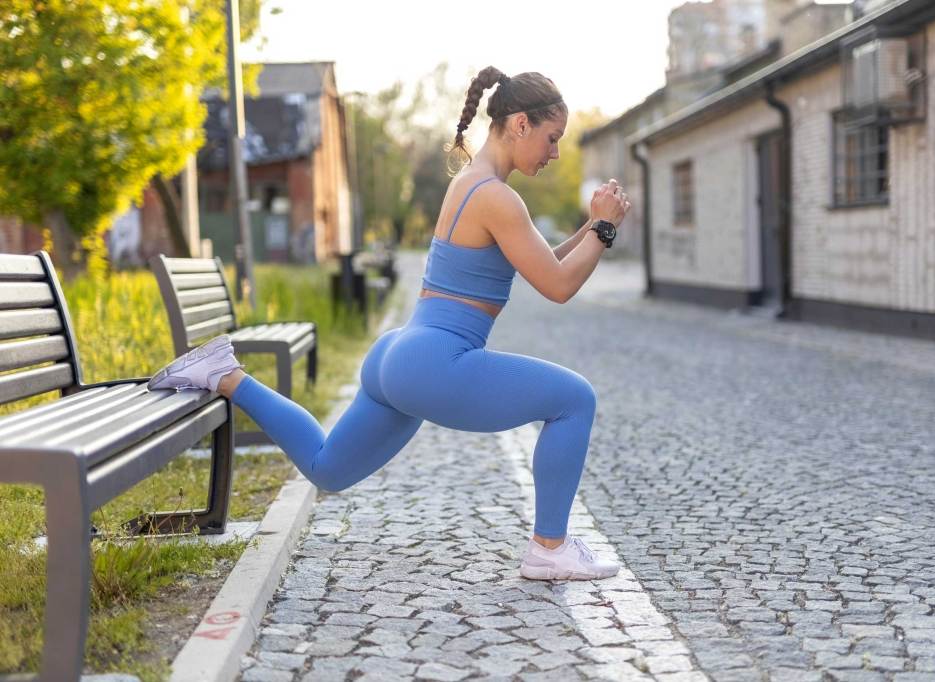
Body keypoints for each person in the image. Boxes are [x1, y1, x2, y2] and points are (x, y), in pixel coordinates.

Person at [148, 66, 630, 581]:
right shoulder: (498, 197)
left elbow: (541, 262)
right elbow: (557, 286)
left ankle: (225, 375)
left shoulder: (472, 184)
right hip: (436, 361)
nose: (554, 153)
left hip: (398, 356)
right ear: (519, 124)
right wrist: (604, 229)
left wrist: (589, 228)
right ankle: (549, 549)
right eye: (552, 138)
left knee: (328, 468)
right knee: (575, 400)